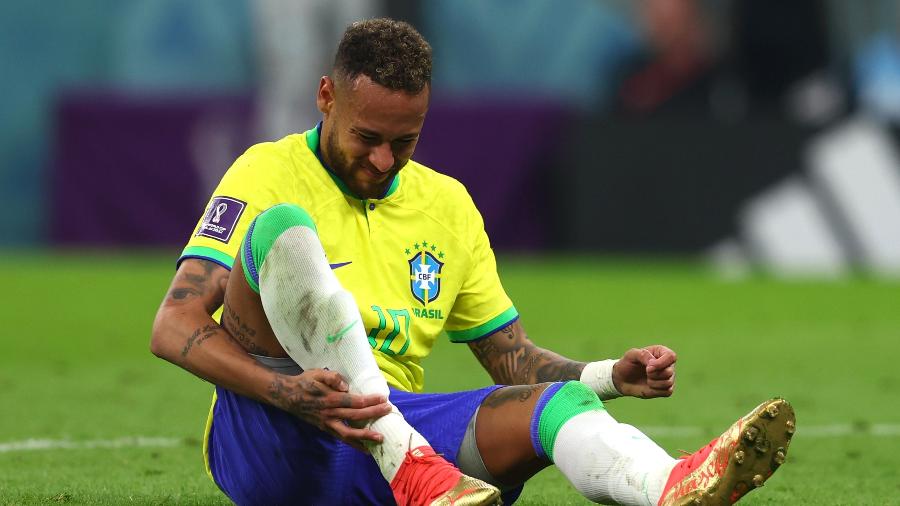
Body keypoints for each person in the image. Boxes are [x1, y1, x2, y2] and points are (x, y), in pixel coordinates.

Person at [150, 18, 795, 506]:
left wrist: (608, 376)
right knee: (284, 229)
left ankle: (672, 486)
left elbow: (511, 358)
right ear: (326, 97)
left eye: (403, 143)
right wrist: (284, 390)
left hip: (389, 439)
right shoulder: (267, 169)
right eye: (367, 139)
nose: (382, 160)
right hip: (273, 433)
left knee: (557, 404)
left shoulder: (447, 206)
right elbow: (173, 325)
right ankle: (409, 466)